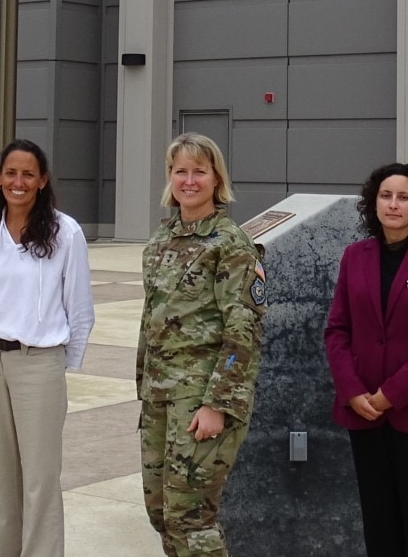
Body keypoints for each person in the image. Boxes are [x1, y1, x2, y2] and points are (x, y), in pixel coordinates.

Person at [137, 132, 267, 557]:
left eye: (199, 171)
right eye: (180, 171)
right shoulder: (160, 241)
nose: (189, 180)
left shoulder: (230, 244)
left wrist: (218, 404)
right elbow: (150, 322)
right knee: (161, 513)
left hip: (202, 400)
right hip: (158, 398)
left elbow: (243, 329)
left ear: (216, 179)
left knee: (191, 518)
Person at [325, 163, 408, 557]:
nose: (394, 204)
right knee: (377, 519)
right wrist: (352, 391)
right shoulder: (355, 256)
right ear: (373, 202)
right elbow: (337, 330)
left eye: (403, 197)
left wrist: (390, 395)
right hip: (362, 411)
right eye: (386, 196)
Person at [0, 138, 96, 557]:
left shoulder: (65, 231)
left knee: (40, 481)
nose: (18, 182)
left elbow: (80, 309)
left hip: (38, 364)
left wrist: (61, 364)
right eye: (11, 173)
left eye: (28, 174)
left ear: (42, 181)